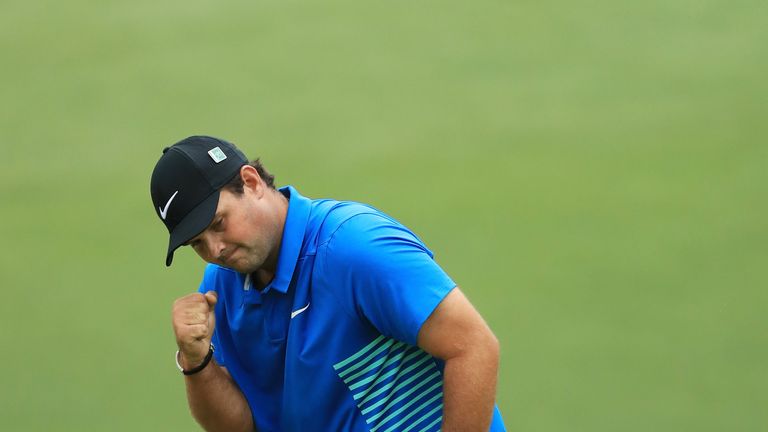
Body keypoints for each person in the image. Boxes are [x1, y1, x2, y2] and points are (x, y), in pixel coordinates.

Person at [150, 135, 506, 431]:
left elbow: (473, 346)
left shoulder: (352, 246)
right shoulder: (221, 286)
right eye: (197, 243)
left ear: (252, 182)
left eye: (218, 223)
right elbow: (241, 426)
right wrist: (197, 361)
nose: (216, 250)